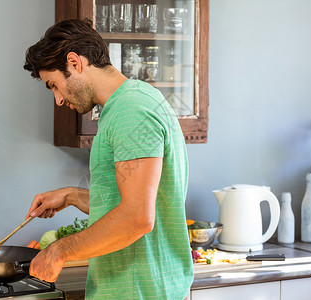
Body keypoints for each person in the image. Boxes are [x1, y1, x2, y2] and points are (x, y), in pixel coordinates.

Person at [23, 18, 193, 299]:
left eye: (54, 85)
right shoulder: (126, 106)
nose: (59, 100)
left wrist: (59, 250)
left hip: (141, 292)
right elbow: (128, 204)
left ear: (75, 63)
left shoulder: (132, 111)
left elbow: (137, 218)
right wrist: (71, 196)